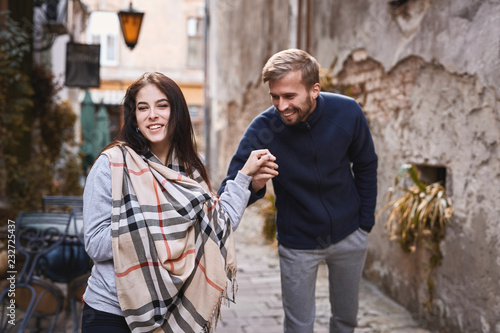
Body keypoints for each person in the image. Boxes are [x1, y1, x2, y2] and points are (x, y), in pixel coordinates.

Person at [81, 72, 277, 333]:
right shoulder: (111, 165)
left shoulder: (191, 170)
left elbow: (217, 226)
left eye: (162, 105)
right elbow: (94, 243)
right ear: (135, 118)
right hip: (111, 311)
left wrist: (245, 180)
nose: (153, 114)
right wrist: (160, 225)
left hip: (174, 312)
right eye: (143, 108)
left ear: (177, 113)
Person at [218, 49, 378, 333]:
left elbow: (366, 163)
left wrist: (365, 222)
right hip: (298, 243)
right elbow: (232, 185)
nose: (281, 105)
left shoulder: (347, 111)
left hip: (350, 234)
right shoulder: (263, 130)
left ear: (314, 89)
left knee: (345, 320)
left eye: (290, 96)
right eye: (275, 96)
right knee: (299, 327)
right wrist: (255, 186)